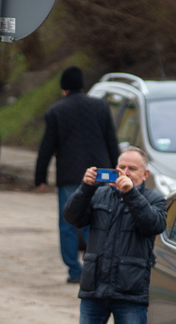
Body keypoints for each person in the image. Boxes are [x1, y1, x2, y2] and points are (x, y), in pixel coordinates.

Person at [62, 147, 167, 324]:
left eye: (132, 169)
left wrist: (130, 193)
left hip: (130, 291)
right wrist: (85, 187)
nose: (124, 172)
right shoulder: (99, 194)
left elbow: (153, 224)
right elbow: (71, 217)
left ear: (145, 175)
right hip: (95, 288)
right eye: (121, 167)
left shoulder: (155, 200)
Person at [35, 65, 119, 284]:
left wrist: (40, 177)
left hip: (71, 176)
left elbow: (47, 147)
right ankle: (97, 267)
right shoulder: (101, 106)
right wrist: (118, 171)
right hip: (102, 174)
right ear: (82, 85)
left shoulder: (56, 111)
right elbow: (112, 141)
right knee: (99, 219)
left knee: (69, 223)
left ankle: (74, 270)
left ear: (64, 89)